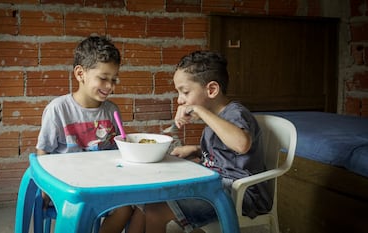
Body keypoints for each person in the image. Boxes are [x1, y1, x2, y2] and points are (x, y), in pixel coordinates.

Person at [133, 51, 272, 233]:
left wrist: (199, 110)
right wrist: (196, 150)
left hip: (241, 194)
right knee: (148, 199)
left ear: (212, 90)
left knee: (155, 211)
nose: (180, 99)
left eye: (185, 91)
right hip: (215, 186)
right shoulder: (216, 119)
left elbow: (241, 144)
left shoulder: (235, 113)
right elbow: (225, 152)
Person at [36, 36, 144, 233]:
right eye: (103, 78)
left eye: (113, 79)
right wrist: (45, 188)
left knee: (130, 208)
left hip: (103, 181)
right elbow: (43, 152)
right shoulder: (58, 110)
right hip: (68, 185)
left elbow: (117, 151)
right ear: (80, 74)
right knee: (80, 212)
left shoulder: (111, 111)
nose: (110, 86)